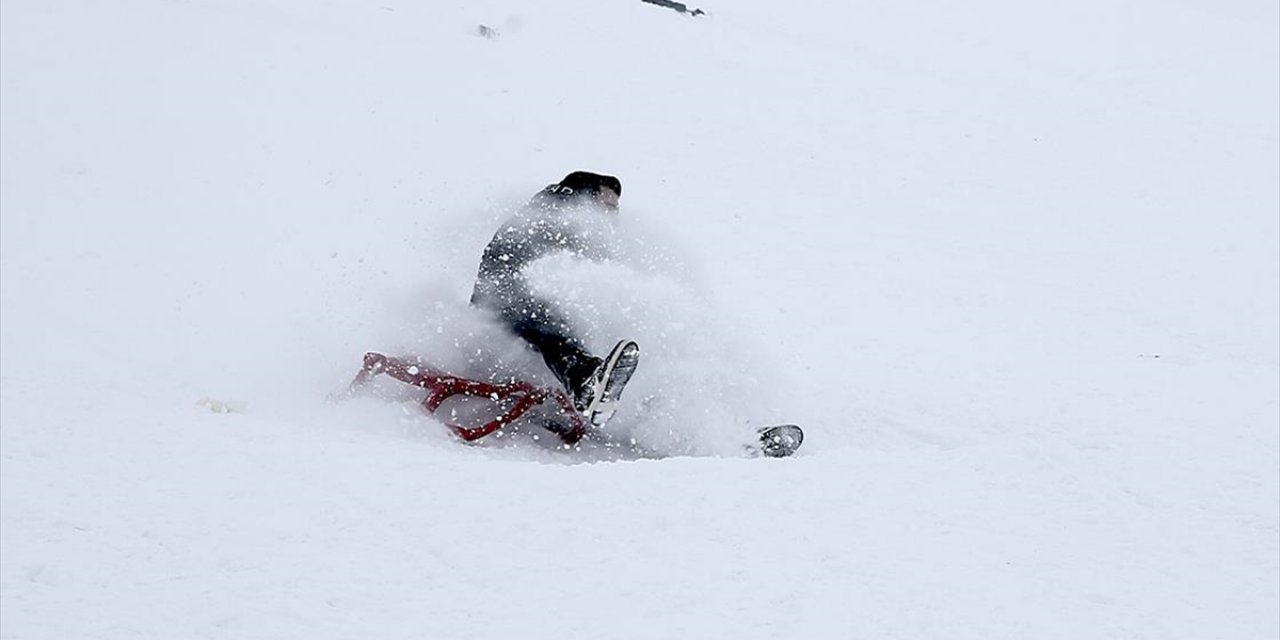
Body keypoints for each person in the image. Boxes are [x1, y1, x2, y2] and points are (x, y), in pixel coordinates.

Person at [471, 171, 640, 426]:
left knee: (562, 320)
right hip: (494, 318)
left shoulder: (559, 220)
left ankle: (610, 388)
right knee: (545, 321)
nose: (610, 216)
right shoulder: (553, 212)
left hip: (515, 316)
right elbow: (512, 266)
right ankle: (585, 383)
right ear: (585, 196)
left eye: (614, 210)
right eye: (606, 206)